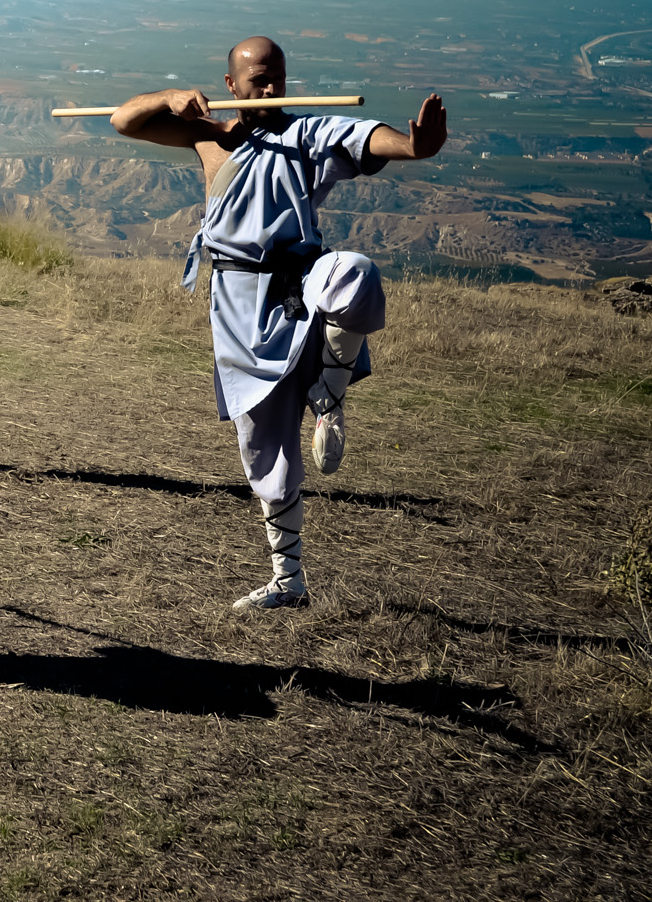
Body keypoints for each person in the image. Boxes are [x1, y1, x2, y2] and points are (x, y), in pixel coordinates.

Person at [110, 36, 446, 610]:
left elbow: (363, 136)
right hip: (237, 303)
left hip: (299, 283)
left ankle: (328, 395)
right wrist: (169, 96)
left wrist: (414, 147)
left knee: (355, 274)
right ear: (231, 85)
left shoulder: (305, 135)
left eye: (278, 78)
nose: (270, 88)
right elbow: (124, 120)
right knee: (263, 444)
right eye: (258, 79)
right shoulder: (210, 136)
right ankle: (288, 581)